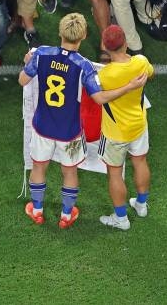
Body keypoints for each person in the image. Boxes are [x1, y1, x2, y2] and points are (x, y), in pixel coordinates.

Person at [19, 13, 147, 229]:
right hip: (70, 131)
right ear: (84, 36)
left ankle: (38, 210)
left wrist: (26, 63)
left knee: (39, 167)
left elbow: (23, 80)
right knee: (69, 172)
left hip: (42, 127)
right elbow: (99, 99)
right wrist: (129, 87)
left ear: (60, 32)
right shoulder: (84, 66)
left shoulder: (40, 54)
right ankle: (66, 215)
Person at [96, 25, 154, 231]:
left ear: (104, 46)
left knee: (114, 173)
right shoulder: (141, 62)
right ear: (126, 43)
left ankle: (121, 219)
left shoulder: (105, 75)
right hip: (138, 124)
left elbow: (96, 96)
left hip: (115, 133)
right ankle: (141, 204)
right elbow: (151, 74)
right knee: (140, 162)